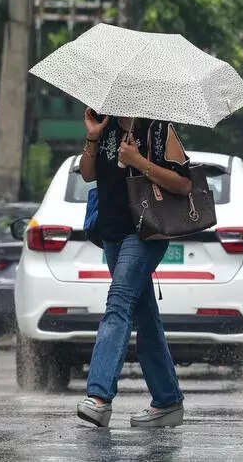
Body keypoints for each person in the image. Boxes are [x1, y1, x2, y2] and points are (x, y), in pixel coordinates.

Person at [76, 108, 191, 428]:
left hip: (146, 233)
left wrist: (139, 162)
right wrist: (93, 136)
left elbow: (183, 184)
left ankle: (99, 397)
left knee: (118, 303)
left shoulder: (159, 130)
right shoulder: (107, 127)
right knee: (145, 317)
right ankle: (168, 401)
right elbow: (88, 174)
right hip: (111, 233)